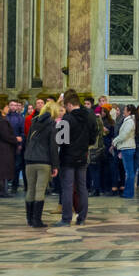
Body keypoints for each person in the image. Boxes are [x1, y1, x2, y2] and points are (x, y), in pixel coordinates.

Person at [56, 92, 95, 226]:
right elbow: (93, 138)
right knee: (82, 188)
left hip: (68, 158)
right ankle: (82, 218)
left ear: (69, 104)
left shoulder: (67, 119)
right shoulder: (89, 117)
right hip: (82, 157)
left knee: (67, 188)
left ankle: (66, 219)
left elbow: (60, 140)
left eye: (66, 106)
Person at [23, 101, 60, 229]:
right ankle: (37, 220)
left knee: (30, 189)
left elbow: (28, 141)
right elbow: (53, 146)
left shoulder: (34, 121)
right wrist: (55, 165)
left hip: (29, 160)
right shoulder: (52, 124)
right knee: (40, 190)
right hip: (43, 161)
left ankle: (29, 219)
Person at [114, 104, 137, 198]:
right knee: (129, 172)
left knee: (129, 172)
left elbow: (124, 135)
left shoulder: (129, 122)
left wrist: (114, 142)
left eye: (125, 110)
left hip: (127, 148)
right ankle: (128, 192)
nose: (123, 111)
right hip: (126, 147)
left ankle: (128, 193)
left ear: (129, 112)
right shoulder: (128, 120)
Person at [6, 100, 26, 194]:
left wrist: (21, 144)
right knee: (7, 165)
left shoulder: (20, 118)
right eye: (11, 105)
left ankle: (15, 184)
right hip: (6, 144)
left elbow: (22, 132)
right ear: (8, 106)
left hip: (16, 145)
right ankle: (7, 183)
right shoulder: (5, 117)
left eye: (15, 105)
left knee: (16, 166)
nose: (13, 107)